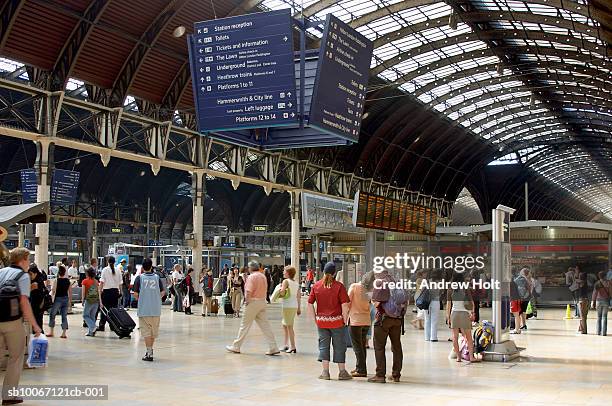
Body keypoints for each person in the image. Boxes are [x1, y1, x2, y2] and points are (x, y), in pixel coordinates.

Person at [0, 248, 43, 405]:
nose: (29, 263)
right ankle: (8, 396)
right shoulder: (23, 276)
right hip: (12, 322)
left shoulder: (1, 272)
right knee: (15, 357)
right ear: (23, 260)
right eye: (28, 259)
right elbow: (24, 303)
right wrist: (35, 326)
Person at [307, 262, 352, 381]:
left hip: (321, 322)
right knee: (339, 346)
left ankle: (325, 372)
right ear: (335, 273)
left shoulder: (316, 286)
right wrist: (345, 319)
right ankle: (342, 372)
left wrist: (315, 318)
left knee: (323, 346)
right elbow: (345, 305)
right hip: (337, 321)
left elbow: (310, 303)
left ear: (323, 271)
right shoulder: (339, 286)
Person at [225, 261, 280, 356]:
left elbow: (248, 291)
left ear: (250, 268)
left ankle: (236, 346)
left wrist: (247, 301)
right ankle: (273, 346)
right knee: (265, 326)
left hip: (253, 302)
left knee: (244, 325)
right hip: (262, 302)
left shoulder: (252, 277)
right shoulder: (262, 276)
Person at [369, 268, 407, 383]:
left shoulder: (380, 283)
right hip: (397, 319)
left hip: (383, 319)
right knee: (396, 346)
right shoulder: (397, 282)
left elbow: (377, 302)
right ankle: (396, 374)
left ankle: (380, 375)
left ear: (379, 273)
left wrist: (372, 300)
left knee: (379, 346)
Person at [132, 258, 165, 361]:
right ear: (151, 267)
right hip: (156, 309)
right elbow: (163, 292)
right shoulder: (157, 278)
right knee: (153, 332)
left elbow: (136, 294)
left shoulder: (139, 278)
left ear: (142, 267)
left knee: (146, 332)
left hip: (144, 309)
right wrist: (155, 297)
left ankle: (149, 352)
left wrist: (142, 299)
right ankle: (150, 350)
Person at [347, 271, 374, 377]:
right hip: (366, 321)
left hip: (355, 321)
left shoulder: (354, 286)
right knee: (362, 346)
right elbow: (369, 304)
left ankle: (362, 370)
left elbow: (347, 302)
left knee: (357, 347)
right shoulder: (370, 290)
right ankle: (360, 367)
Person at [447, 272, 478, 363]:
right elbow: (472, 302)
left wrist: (448, 317)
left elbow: (448, 305)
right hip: (464, 314)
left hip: (454, 314)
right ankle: (471, 357)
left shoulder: (450, 289)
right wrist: (473, 313)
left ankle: (458, 357)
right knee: (469, 337)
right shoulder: (465, 288)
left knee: (455, 337)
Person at [97, 256, 123, 332]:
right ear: (115, 262)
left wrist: (99, 292)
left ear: (107, 262)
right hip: (115, 293)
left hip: (106, 293)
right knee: (113, 310)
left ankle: (102, 325)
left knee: (104, 310)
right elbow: (120, 283)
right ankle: (113, 326)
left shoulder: (105, 270)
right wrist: (121, 293)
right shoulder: (118, 270)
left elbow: (101, 283)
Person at [279, 266, 301, 353]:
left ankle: (292, 346)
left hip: (287, 306)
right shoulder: (296, 283)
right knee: (285, 325)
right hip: (294, 306)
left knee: (289, 326)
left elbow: (282, 292)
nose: (283, 272)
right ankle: (286, 344)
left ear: (288, 273)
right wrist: (299, 308)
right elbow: (298, 296)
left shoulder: (285, 281)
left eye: (284, 271)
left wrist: (280, 288)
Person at [47, 265, 71, 338]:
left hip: (57, 299)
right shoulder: (68, 281)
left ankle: (51, 331)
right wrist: (70, 301)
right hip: (65, 299)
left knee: (52, 314)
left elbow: (53, 291)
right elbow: (70, 292)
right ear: (64, 273)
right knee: (64, 316)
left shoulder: (56, 280)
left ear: (58, 273)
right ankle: (64, 333)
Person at [27, 263, 47, 335]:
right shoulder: (36, 279)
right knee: (37, 320)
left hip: (38, 304)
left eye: (31, 274)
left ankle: (39, 334)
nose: (29, 276)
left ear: (35, 273)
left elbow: (28, 291)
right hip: (34, 304)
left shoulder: (37, 281)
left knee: (38, 320)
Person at [82, 267, 100, 337]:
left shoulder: (85, 281)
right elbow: (98, 291)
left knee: (85, 315)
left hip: (89, 300)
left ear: (87, 273)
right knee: (92, 316)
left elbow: (83, 293)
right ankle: (91, 332)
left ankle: (93, 327)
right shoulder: (96, 281)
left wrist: (83, 301)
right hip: (96, 301)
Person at [424, 269, 441, 342]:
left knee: (427, 320)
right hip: (435, 301)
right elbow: (440, 292)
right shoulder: (439, 283)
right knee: (434, 319)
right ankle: (433, 337)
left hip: (426, 302)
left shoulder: (426, 282)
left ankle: (427, 337)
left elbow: (421, 290)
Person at [592, 271, 610, 336]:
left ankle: (598, 332)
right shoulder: (608, 283)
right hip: (606, 301)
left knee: (599, 317)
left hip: (598, 301)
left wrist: (593, 302)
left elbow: (594, 293)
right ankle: (604, 333)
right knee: (605, 317)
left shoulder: (597, 283)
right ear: (605, 276)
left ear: (599, 276)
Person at [577, 268, 589, 334]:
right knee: (584, 316)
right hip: (585, 300)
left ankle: (583, 331)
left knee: (582, 317)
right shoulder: (585, 282)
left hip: (582, 300)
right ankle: (581, 329)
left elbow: (576, 281)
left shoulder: (582, 282)